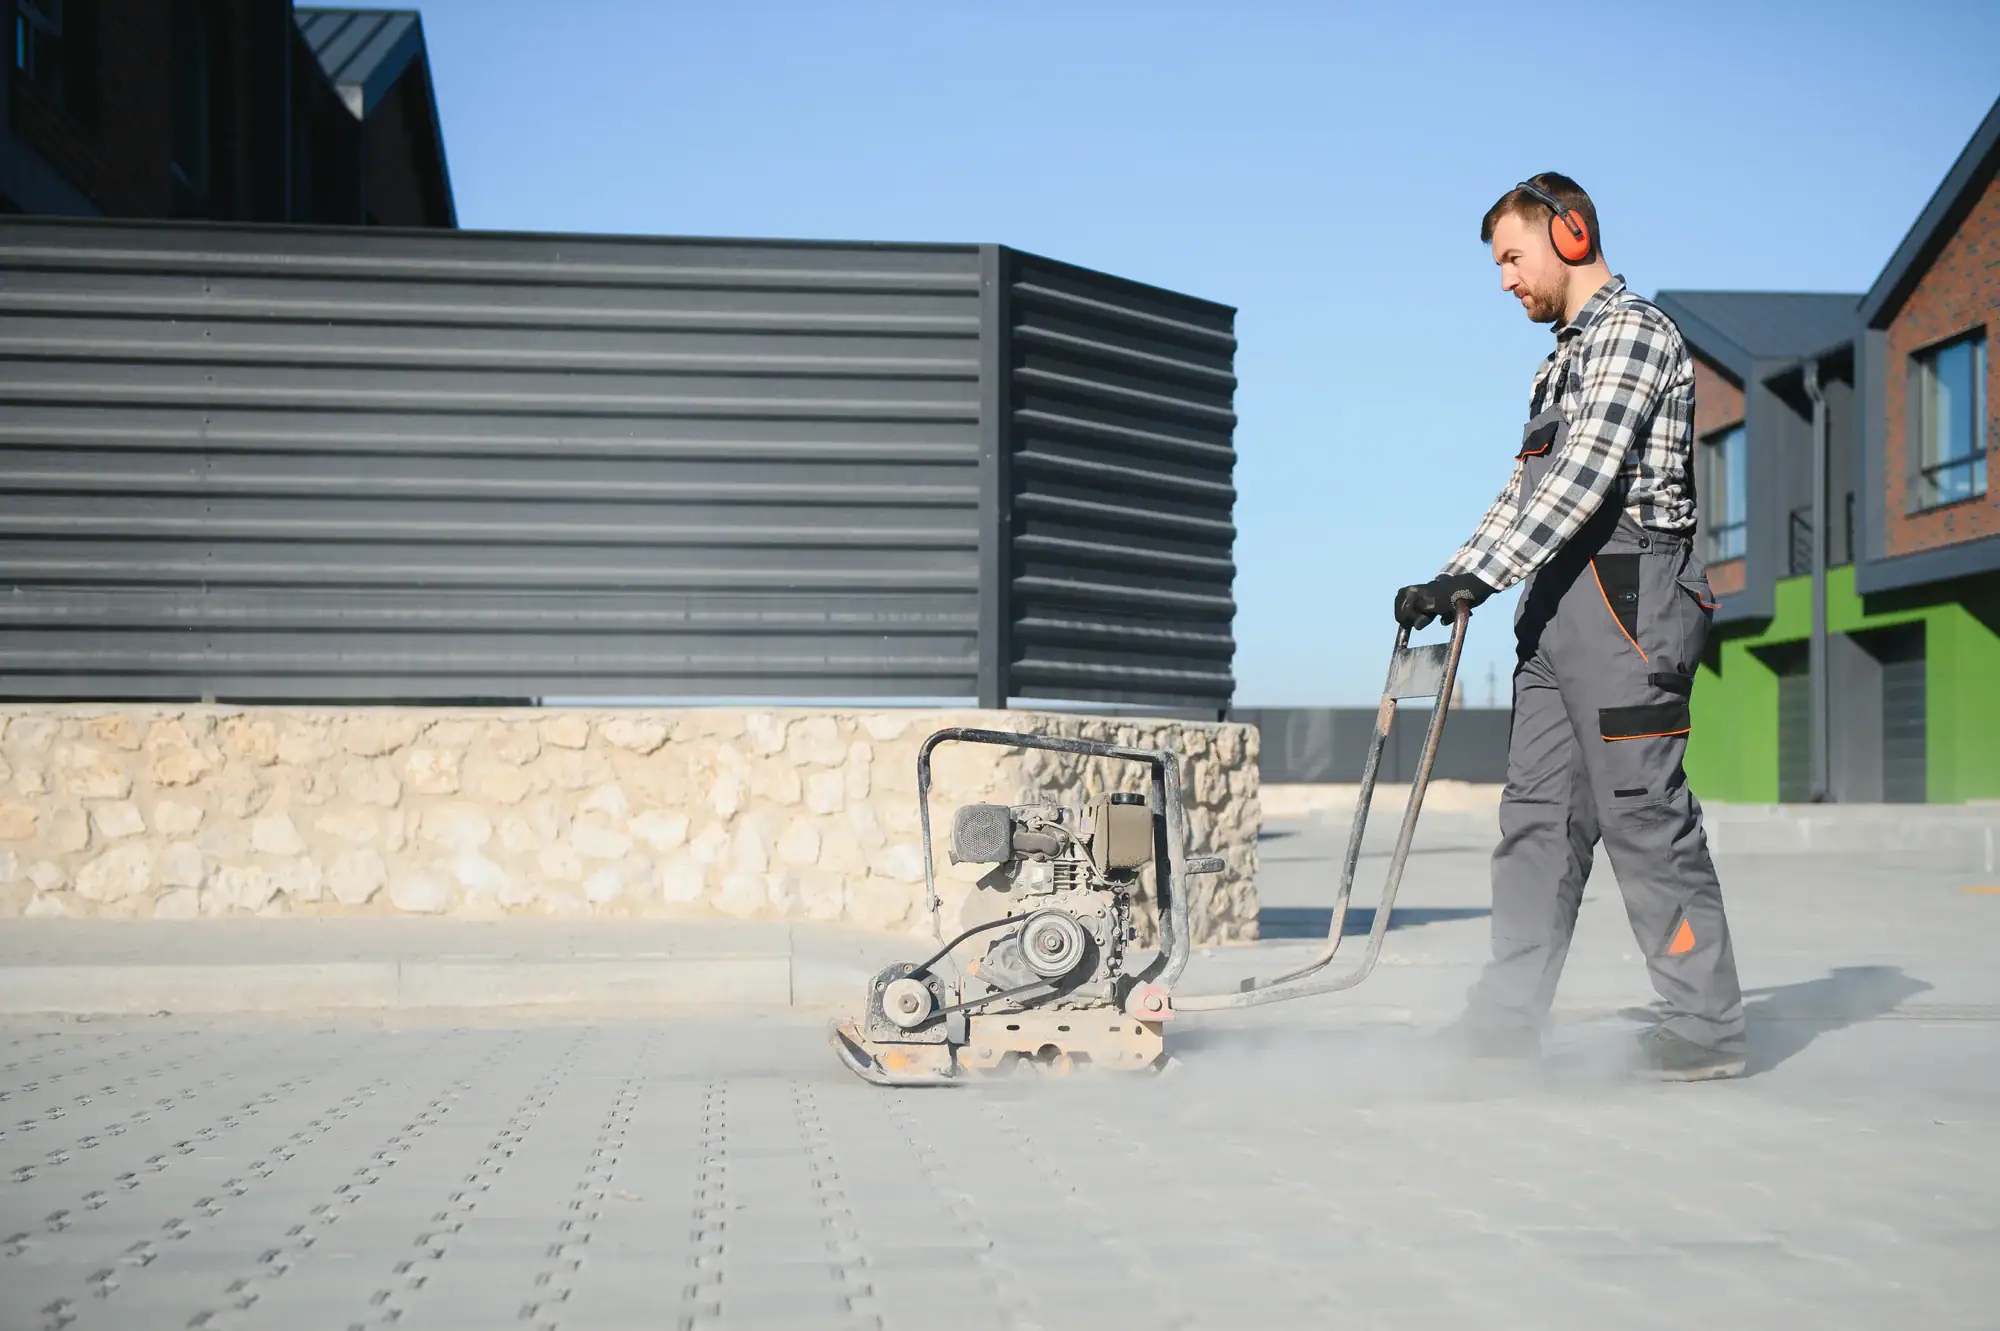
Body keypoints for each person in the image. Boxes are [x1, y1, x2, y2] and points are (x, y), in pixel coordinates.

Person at [1394, 173, 1746, 1081]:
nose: (1505, 279)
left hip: (1631, 607)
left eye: (1514, 256)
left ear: (1572, 233)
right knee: (1536, 824)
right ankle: (1505, 1022)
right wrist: (1453, 577)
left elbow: (1588, 477)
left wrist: (1481, 571)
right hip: (1554, 608)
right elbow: (1528, 494)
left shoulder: (1635, 334)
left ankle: (1703, 1029)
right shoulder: (1560, 359)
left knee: (1645, 821)